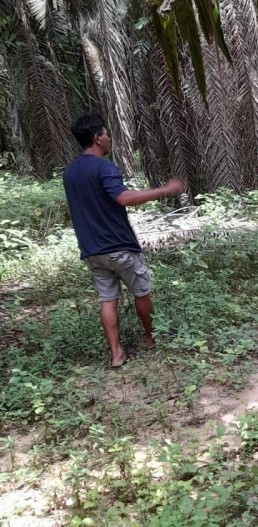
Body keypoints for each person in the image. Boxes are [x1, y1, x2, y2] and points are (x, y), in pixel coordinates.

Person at [63, 114, 182, 367]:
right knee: (141, 291)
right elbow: (123, 198)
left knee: (107, 299)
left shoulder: (70, 172)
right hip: (119, 246)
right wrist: (163, 190)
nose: (109, 138)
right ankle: (152, 339)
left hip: (91, 250)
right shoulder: (104, 167)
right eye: (106, 134)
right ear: (97, 138)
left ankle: (116, 354)